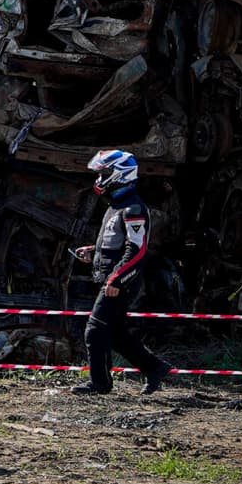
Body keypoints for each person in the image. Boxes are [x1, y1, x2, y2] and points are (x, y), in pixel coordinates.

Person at [69, 149, 171, 396]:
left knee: (95, 330)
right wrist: (93, 253)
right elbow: (117, 244)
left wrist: (116, 278)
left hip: (121, 281)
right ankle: (155, 368)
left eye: (104, 173)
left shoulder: (134, 208)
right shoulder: (116, 205)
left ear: (120, 174)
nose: (100, 178)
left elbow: (137, 250)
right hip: (111, 278)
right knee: (114, 334)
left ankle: (100, 384)